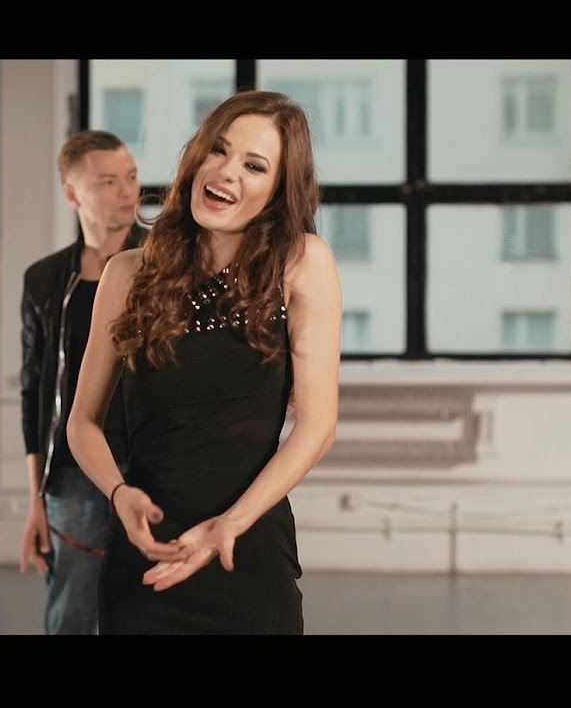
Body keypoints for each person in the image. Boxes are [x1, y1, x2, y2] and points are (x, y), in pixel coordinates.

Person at [66, 90, 342, 634]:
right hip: (144, 560)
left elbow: (318, 424)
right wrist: (118, 495)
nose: (227, 171)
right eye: (219, 149)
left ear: (278, 190)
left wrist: (229, 525)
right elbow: (82, 422)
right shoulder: (126, 274)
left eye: (254, 165)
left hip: (245, 552)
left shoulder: (302, 265)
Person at [18, 129, 146, 635]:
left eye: (131, 177)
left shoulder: (167, 266)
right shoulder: (45, 280)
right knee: (71, 615)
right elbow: (34, 393)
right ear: (72, 194)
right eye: (108, 181)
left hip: (154, 467)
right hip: (74, 476)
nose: (127, 191)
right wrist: (35, 500)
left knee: (152, 612)